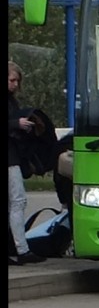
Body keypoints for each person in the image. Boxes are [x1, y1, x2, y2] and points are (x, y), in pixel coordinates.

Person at [7, 61, 46, 265]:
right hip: (10, 158)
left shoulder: (12, 101)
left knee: (14, 202)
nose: (14, 84)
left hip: (13, 155)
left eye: (17, 81)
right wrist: (16, 124)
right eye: (12, 80)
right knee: (18, 201)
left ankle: (17, 247)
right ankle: (21, 249)